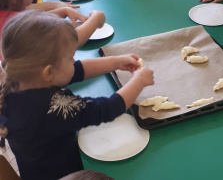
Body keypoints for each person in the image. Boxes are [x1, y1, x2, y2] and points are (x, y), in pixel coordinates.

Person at [0, 10, 154, 180]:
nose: (74, 61)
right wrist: (139, 81)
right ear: (49, 72)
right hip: (66, 174)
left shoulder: (17, 81)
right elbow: (108, 108)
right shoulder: (57, 107)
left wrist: (115, 62)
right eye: (71, 57)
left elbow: (77, 70)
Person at [0, 0, 104, 50]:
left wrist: (62, 12)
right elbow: (67, 44)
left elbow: (34, 21)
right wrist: (95, 20)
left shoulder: (7, 11)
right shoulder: (14, 26)